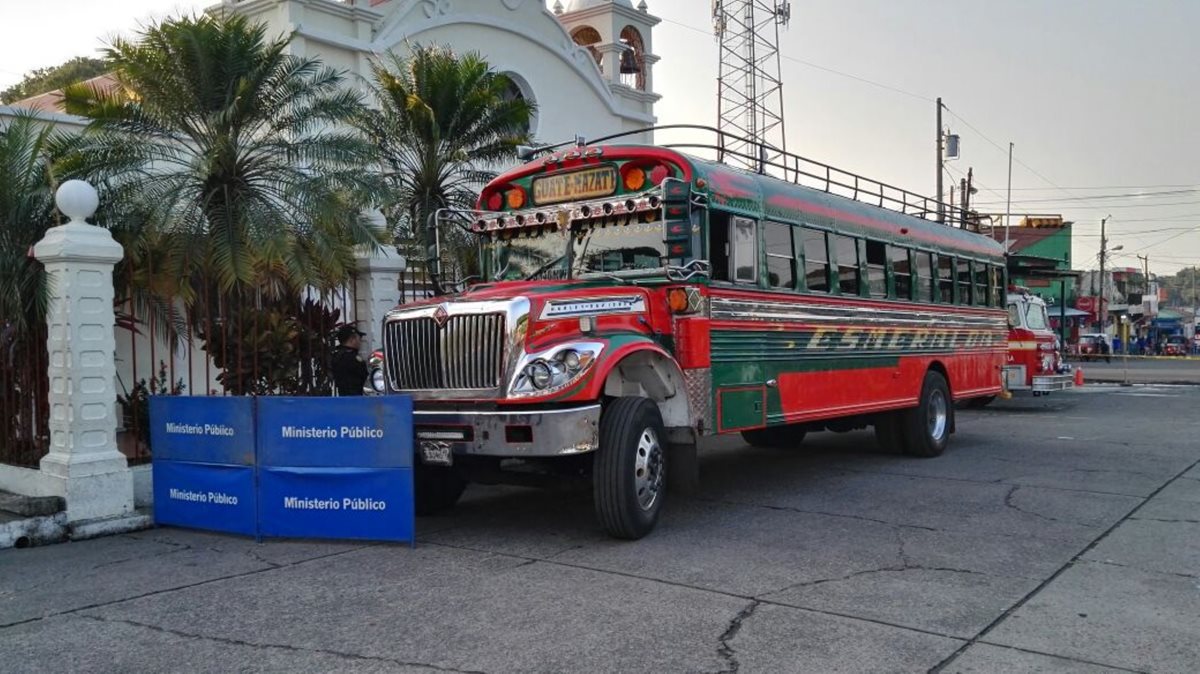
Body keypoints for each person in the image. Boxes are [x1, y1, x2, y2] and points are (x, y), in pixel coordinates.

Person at [331, 324, 368, 396]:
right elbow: (364, 376)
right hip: (355, 397)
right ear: (352, 339)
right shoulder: (353, 358)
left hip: (343, 396)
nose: (360, 342)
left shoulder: (336, 356)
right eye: (359, 338)